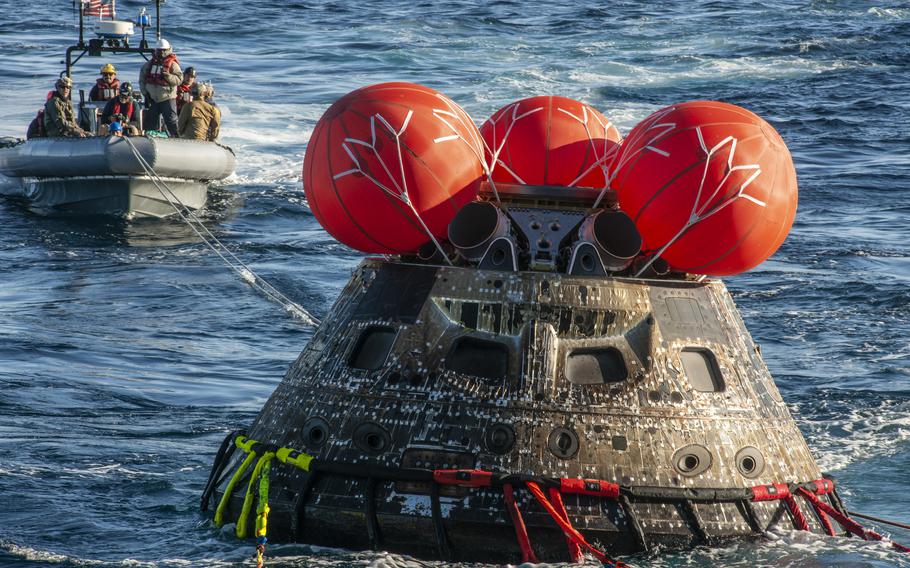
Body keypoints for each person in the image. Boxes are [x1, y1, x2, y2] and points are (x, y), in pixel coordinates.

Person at [139, 38, 183, 136]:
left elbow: (179, 80)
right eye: (159, 50)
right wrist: (145, 93)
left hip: (167, 98)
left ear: (168, 50)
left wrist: (168, 76)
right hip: (152, 99)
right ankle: (150, 137)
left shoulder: (173, 65)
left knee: (171, 121)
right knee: (150, 121)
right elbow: (142, 79)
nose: (161, 52)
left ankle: (176, 138)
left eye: (163, 50)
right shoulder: (149, 65)